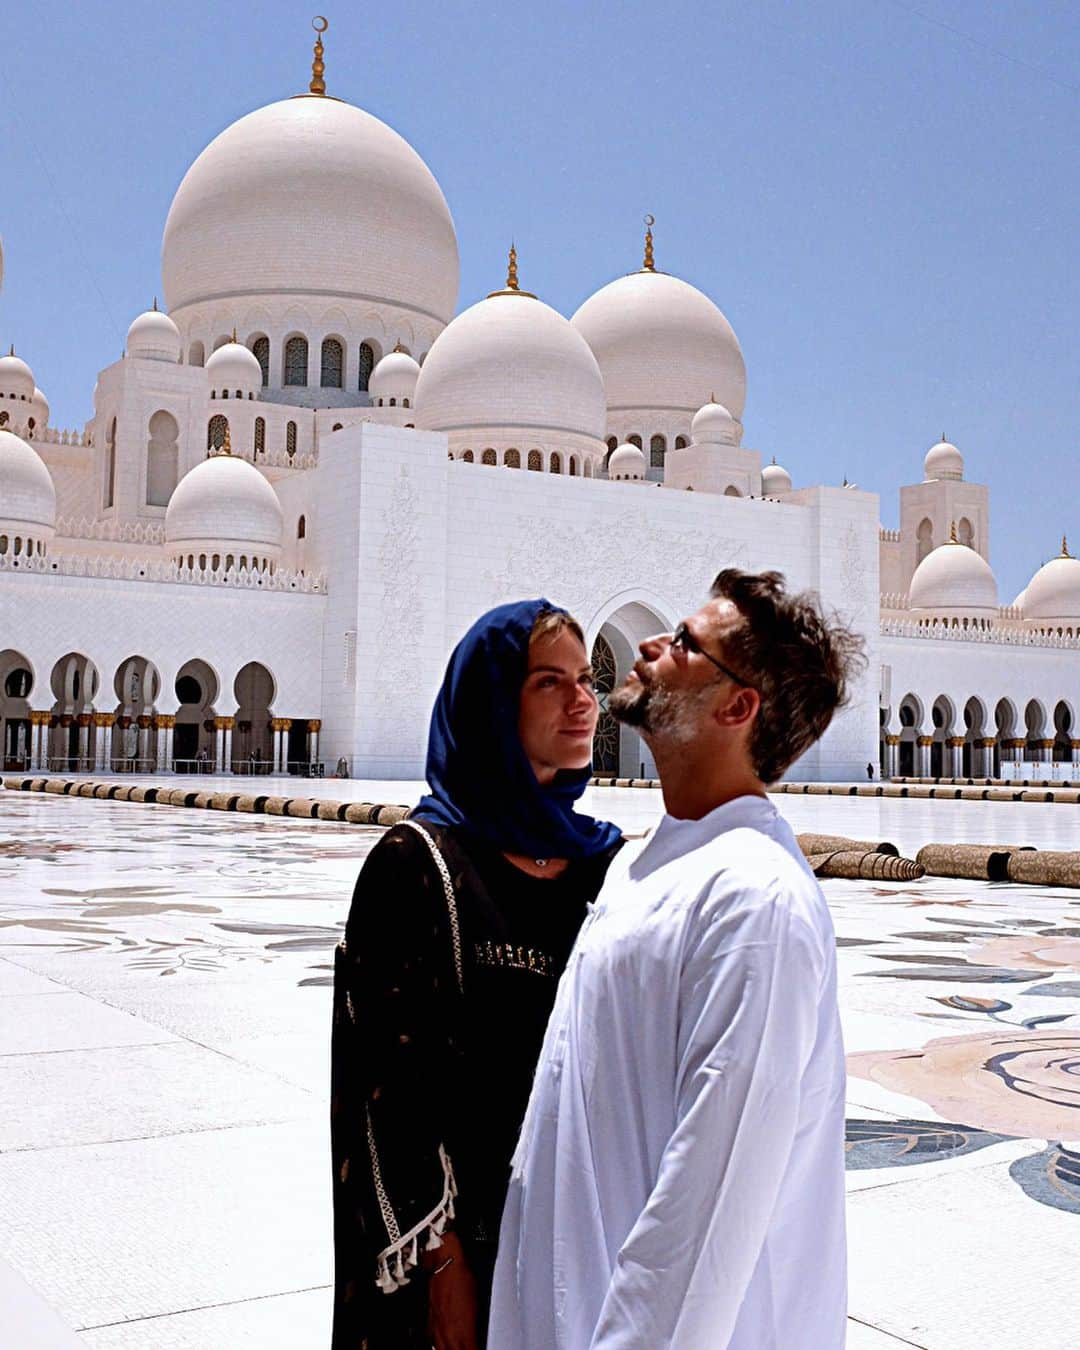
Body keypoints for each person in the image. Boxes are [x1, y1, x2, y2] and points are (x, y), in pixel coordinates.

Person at [490, 569, 865, 1350]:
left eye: (688, 645)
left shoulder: (756, 902)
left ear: (736, 707)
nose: (654, 643)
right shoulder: (647, 860)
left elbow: (709, 1211)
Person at [331, 600, 622, 1350]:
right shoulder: (418, 865)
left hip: (579, 1237)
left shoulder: (605, 864)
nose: (581, 700)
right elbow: (384, 1087)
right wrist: (442, 1264)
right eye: (548, 682)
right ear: (493, 701)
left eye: (586, 679)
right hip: (466, 1247)